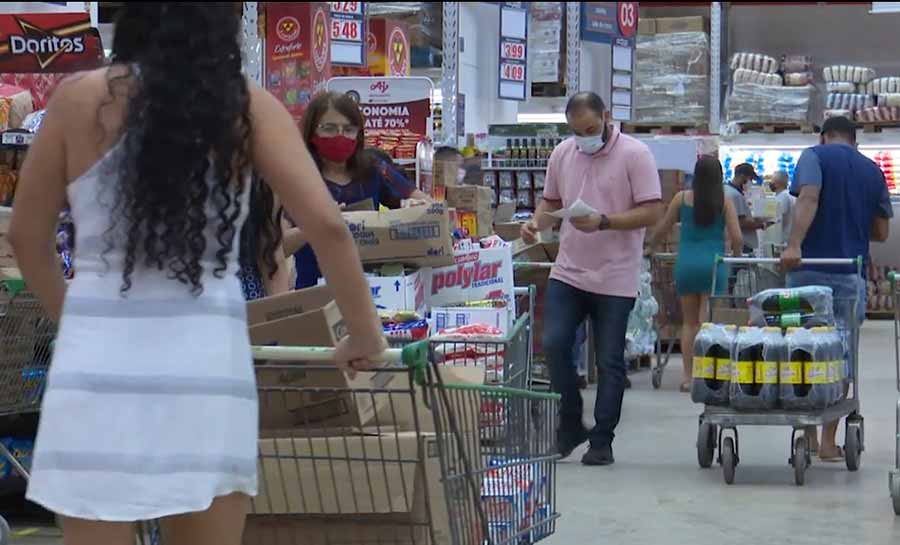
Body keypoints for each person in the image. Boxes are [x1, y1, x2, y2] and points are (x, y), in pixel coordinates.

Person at [6, 5, 387, 545]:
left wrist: (76, 323)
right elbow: (327, 225)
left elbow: (26, 238)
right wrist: (364, 333)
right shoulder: (244, 104)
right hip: (206, 366)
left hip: (96, 371)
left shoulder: (77, 100)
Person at [521, 92, 663, 466]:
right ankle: (570, 422)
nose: (584, 137)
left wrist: (605, 221)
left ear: (606, 116)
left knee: (610, 361)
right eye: (576, 131)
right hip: (569, 271)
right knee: (553, 344)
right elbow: (551, 202)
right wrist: (537, 223)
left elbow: (652, 211)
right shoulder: (563, 154)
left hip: (616, 277)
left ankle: (602, 439)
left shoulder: (636, 154)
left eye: (590, 128)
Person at [781, 116, 892, 462]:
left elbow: (809, 198)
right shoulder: (872, 171)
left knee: (800, 350)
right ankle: (829, 441)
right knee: (839, 355)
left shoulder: (814, 156)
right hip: (849, 275)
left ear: (825, 136)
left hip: (807, 272)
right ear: (854, 140)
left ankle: (809, 434)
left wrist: (794, 244)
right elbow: (881, 232)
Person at [286, 91, 430, 289]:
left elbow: (428, 207)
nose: (340, 136)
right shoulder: (295, 178)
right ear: (312, 132)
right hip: (314, 294)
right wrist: (315, 226)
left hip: (376, 291)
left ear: (359, 133)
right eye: (329, 128)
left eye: (348, 129)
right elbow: (278, 246)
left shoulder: (375, 169)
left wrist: (414, 209)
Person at [646, 156, 743, 392]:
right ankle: (708, 375)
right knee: (708, 324)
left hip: (687, 264)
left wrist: (650, 247)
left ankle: (688, 378)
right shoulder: (726, 201)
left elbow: (662, 228)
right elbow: (737, 237)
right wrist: (735, 255)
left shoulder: (681, 199)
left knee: (689, 324)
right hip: (714, 265)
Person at [237, 177, 290, 300]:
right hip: (247, 301)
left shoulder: (260, 184)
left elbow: (272, 258)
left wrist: (283, 313)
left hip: (249, 301)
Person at [726, 163, 768, 254]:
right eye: (750, 179)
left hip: (731, 241)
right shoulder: (735, 195)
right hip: (741, 243)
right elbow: (741, 223)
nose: (751, 183)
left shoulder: (726, 190)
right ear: (742, 176)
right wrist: (762, 224)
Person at [769, 170, 795, 248]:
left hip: (783, 240)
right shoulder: (789, 195)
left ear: (777, 184)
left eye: (772, 181)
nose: (770, 183)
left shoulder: (782, 197)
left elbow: (777, 217)